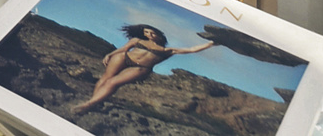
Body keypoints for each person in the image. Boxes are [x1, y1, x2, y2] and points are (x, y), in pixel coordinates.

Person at [71, 24, 215, 115]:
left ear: (158, 34)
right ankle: (93, 103)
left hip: (141, 68)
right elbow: (124, 49)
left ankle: (89, 104)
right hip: (123, 57)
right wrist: (110, 54)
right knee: (104, 79)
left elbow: (191, 49)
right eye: (146, 32)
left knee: (113, 83)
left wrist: (211, 44)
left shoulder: (168, 50)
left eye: (152, 32)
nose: (149, 35)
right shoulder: (137, 40)